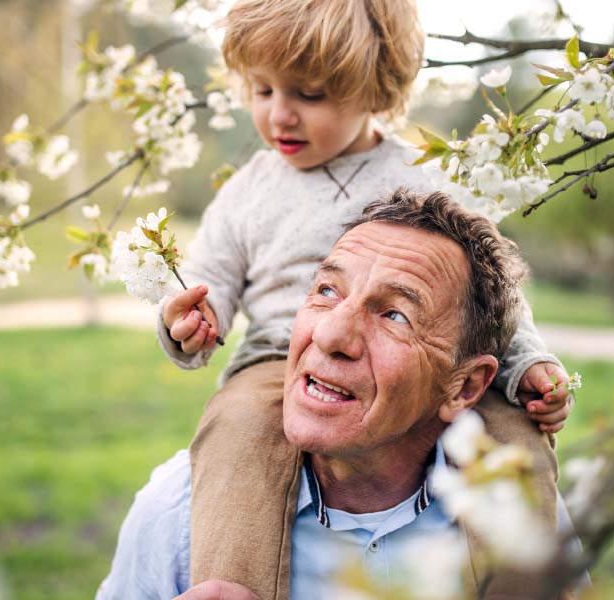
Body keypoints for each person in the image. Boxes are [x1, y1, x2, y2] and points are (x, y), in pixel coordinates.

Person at [155, 1, 574, 596]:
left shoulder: (424, 173)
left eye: (310, 95)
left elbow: (492, 292)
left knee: (515, 436)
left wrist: (525, 362)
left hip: (420, 365)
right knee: (239, 429)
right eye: (262, 90)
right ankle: (232, 585)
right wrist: (193, 318)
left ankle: (525, 587)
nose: (279, 114)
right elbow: (210, 275)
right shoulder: (250, 189)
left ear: (374, 89)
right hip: (278, 359)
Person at [102, 191, 566, 599]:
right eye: (326, 290)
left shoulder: (520, 522)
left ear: (464, 386)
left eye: (395, 316)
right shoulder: (177, 512)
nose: (329, 334)